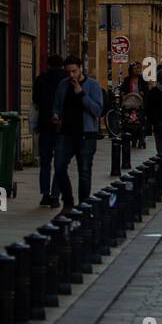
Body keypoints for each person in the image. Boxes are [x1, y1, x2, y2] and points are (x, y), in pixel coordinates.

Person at [51, 55, 104, 212]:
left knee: (84, 171)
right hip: (65, 133)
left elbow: (97, 110)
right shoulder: (62, 85)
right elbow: (57, 105)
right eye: (68, 72)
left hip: (86, 134)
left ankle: (83, 206)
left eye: (74, 71)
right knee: (59, 167)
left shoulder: (93, 86)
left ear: (81, 68)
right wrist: (55, 115)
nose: (71, 75)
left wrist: (81, 93)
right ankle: (68, 202)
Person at [32, 53, 66, 207]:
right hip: (62, 127)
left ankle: (45, 194)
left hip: (45, 125)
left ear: (48, 64)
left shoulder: (41, 79)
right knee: (60, 162)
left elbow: (36, 101)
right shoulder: (66, 80)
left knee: (45, 162)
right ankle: (55, 195)